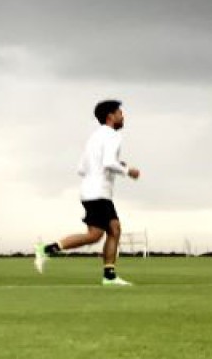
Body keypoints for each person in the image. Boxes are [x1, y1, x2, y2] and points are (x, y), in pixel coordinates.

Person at [35, 100, 140, 286]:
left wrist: (115, 165)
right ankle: (46, 249)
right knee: (95, 235)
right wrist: (128, 171)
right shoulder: (113, 136)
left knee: (114, 229)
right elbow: (108, 162)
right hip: (99, 192)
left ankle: (109, 275)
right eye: (120, 113)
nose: (123, 117)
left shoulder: (94, 137)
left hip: (91, 191)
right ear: (110, 116)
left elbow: (81, 168)